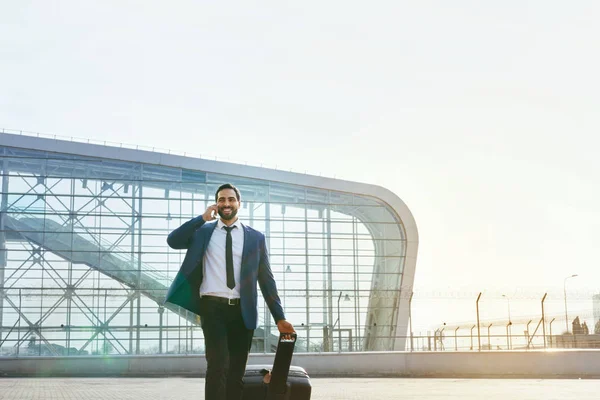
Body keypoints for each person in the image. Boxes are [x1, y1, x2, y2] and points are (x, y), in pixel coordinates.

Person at [165, 183, 294, 400]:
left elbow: (266, 280)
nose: (226, 204)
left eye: (231, 199)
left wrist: (279, 317)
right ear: (216, 204)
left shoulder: (255, 238)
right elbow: (173, 240)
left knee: (236, 372)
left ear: (239, 204)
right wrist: (201, 218)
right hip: (212, 307)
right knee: (217, 365)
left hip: (242, 311)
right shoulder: (203, 232)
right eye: (222, 200)